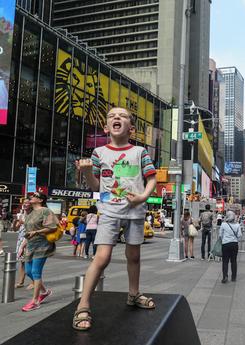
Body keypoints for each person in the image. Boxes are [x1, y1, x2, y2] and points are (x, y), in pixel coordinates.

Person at [73, 107, 157, 331]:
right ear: (106, 127)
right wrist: (88, 172)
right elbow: (96, 187)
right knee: (102, 257)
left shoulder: (140, 152)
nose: (116, 118)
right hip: (109, 209)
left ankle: (133, 293)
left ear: (131, 127)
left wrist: (142, 197)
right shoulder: (99, 152)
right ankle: (83, 304)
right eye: (111, 116)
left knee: (134, 255)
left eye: (122, 116)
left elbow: (152, 178)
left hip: (135, 210)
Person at [21, 192, 57, 312]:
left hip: (43, 245)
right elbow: (28, 231)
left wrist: (37, 232)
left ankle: (35, 301)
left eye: (35, 196)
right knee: (28, 271)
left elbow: (53, 227)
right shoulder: (30, 213)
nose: (31, 197)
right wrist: (23, 246)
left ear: (40, 200)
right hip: (30, 245)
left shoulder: (45, 211)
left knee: (36, 272)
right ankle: (45, 292)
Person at [219, 211, 242, 283]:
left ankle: (225, 276)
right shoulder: (237, 225)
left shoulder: (223, 224)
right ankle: (233, 277)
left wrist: (224, 239)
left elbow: (220, 235)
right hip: (234, 244)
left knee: (225, 261)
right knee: (233, 261)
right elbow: (239, 235)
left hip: (225, 244)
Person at [15, 199, 33, 289]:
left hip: (29, 240)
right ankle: (21, 281)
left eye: (27, 203)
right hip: (20, 240)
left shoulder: (33, 215)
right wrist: (16, 221)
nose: (25, 204)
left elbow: (32, 228)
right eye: (24, 203)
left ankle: (34, 282)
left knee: (29, 262)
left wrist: (23, 222)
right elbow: (15, 229)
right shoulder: (22, 215)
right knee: (22, 262)